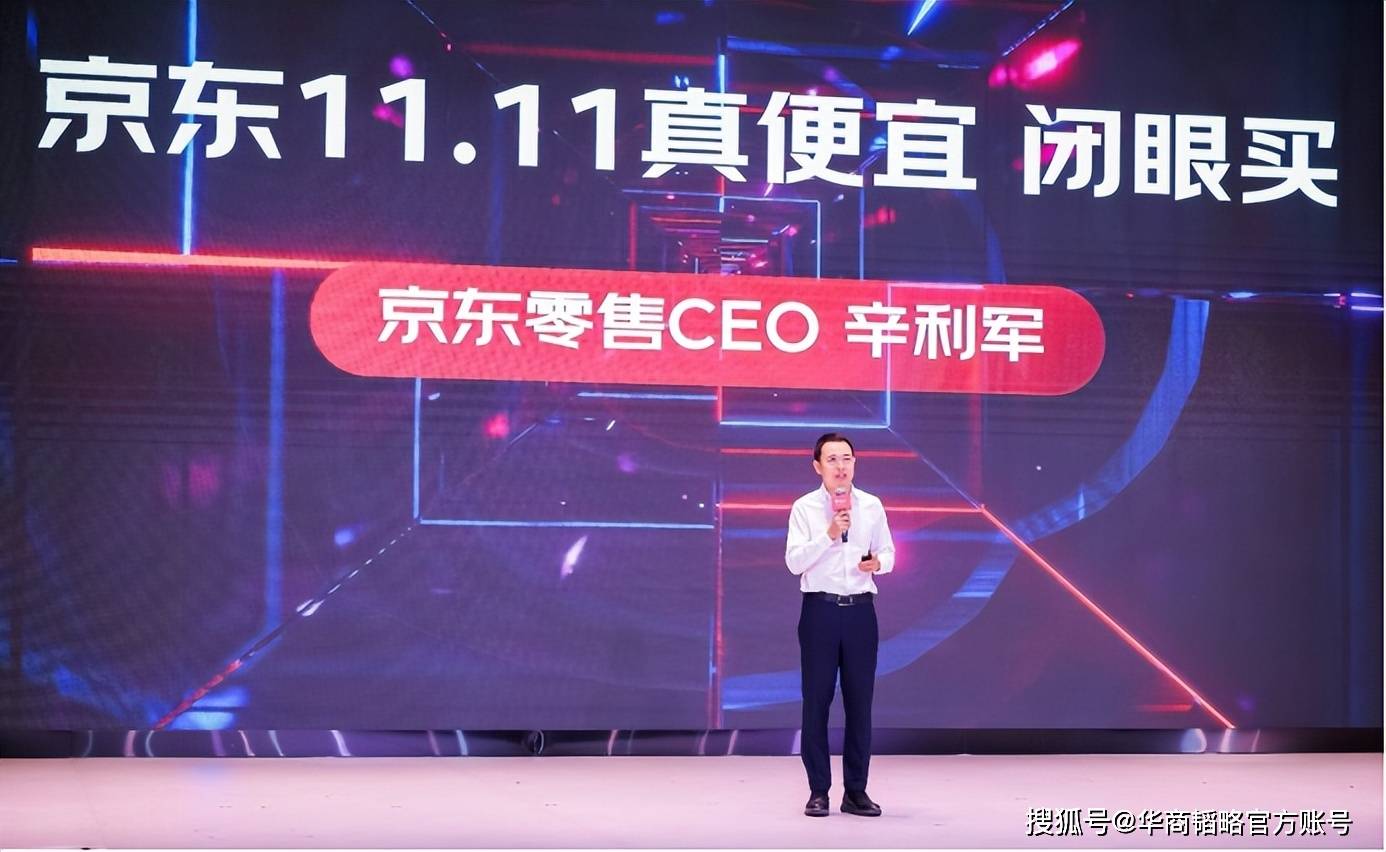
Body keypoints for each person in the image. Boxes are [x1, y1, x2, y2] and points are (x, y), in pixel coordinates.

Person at [785, 432, 895, 818]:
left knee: (860, 703)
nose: (841, 466)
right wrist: (829, 535)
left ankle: (856, 791)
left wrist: (878, 563)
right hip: (821, 611)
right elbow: (794, 562)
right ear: (817, 466)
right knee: (816, 701)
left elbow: (889, 552)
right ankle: (818, 791)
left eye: (847, 458)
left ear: (855, 463)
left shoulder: (872, 505)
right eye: (832, 459)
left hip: (861, 612)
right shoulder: (804, 508)